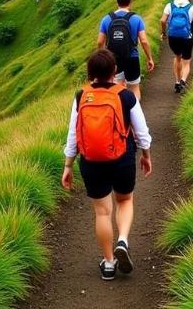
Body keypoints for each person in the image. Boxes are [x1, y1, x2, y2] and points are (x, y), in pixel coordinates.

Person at [62, 49, 152, 281]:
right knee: (125, 200)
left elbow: (73, 135)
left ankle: (109, 263)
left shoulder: (81, 96)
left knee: (102, 211)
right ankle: (122, 239)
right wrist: (146, 155)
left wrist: (68, 165)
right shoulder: (126, 96)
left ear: (90, 73)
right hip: (122, 158)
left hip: (91, 162)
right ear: (114, 72)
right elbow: (141, 132)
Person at [97, 0, 155, 101]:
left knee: (116, 87)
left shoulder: (106, 19)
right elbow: (143, 41)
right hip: (132, 58)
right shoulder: (136, 19)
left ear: (117, 2)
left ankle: (119, 113)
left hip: (113, 59)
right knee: (134, 88)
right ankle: (134, 113)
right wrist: (149, 58)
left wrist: (102, 57)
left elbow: (100, 42)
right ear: (130, 2)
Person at [160, 0, 193, 93]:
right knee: (186, 61)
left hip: (172, 36)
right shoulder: (192, 8)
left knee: (177, 57)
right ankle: (183, 80)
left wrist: (164, 32)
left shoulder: (169, 6)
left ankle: (177, 81)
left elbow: (163, 20)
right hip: (187, 37)